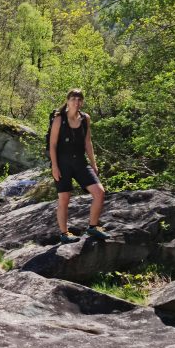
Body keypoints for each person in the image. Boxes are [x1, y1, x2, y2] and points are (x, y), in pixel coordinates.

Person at [49, 88, 108, 243]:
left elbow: (88, 142)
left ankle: (93, 227)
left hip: (80, 162)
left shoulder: (85, 118)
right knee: (64, 199)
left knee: (99, 192)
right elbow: (53, 144)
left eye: (79, 99)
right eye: (73, 99)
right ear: (68, 101)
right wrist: (54, 166)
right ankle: (64, 233)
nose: (76, 102)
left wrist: (93, 163)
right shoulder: (58, 119)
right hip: (62, 164)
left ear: (82, 102)